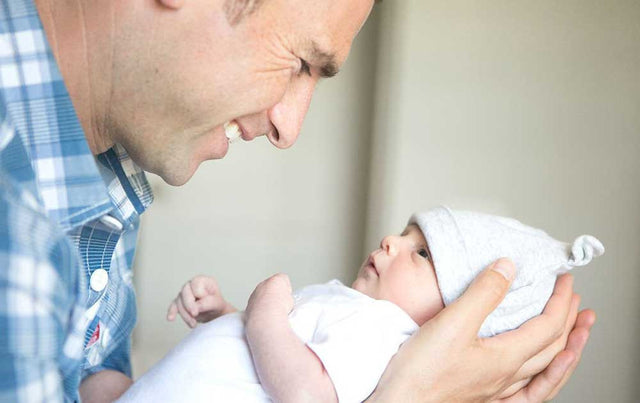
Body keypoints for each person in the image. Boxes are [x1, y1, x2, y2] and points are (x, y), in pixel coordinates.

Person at [0, 0, 595, 402]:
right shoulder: (17, 239)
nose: (290, 127)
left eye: (424, 255)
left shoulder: (107, 187)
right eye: (301, 62)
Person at [117, 207, 603, 402]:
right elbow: (269, 362)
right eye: (405, 233)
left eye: (422, 253)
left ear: (456, 316)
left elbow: (304, 393)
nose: (391, 241)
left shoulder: (381, 333)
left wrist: (262, 314)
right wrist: (225, 315)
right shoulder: (351, 306)